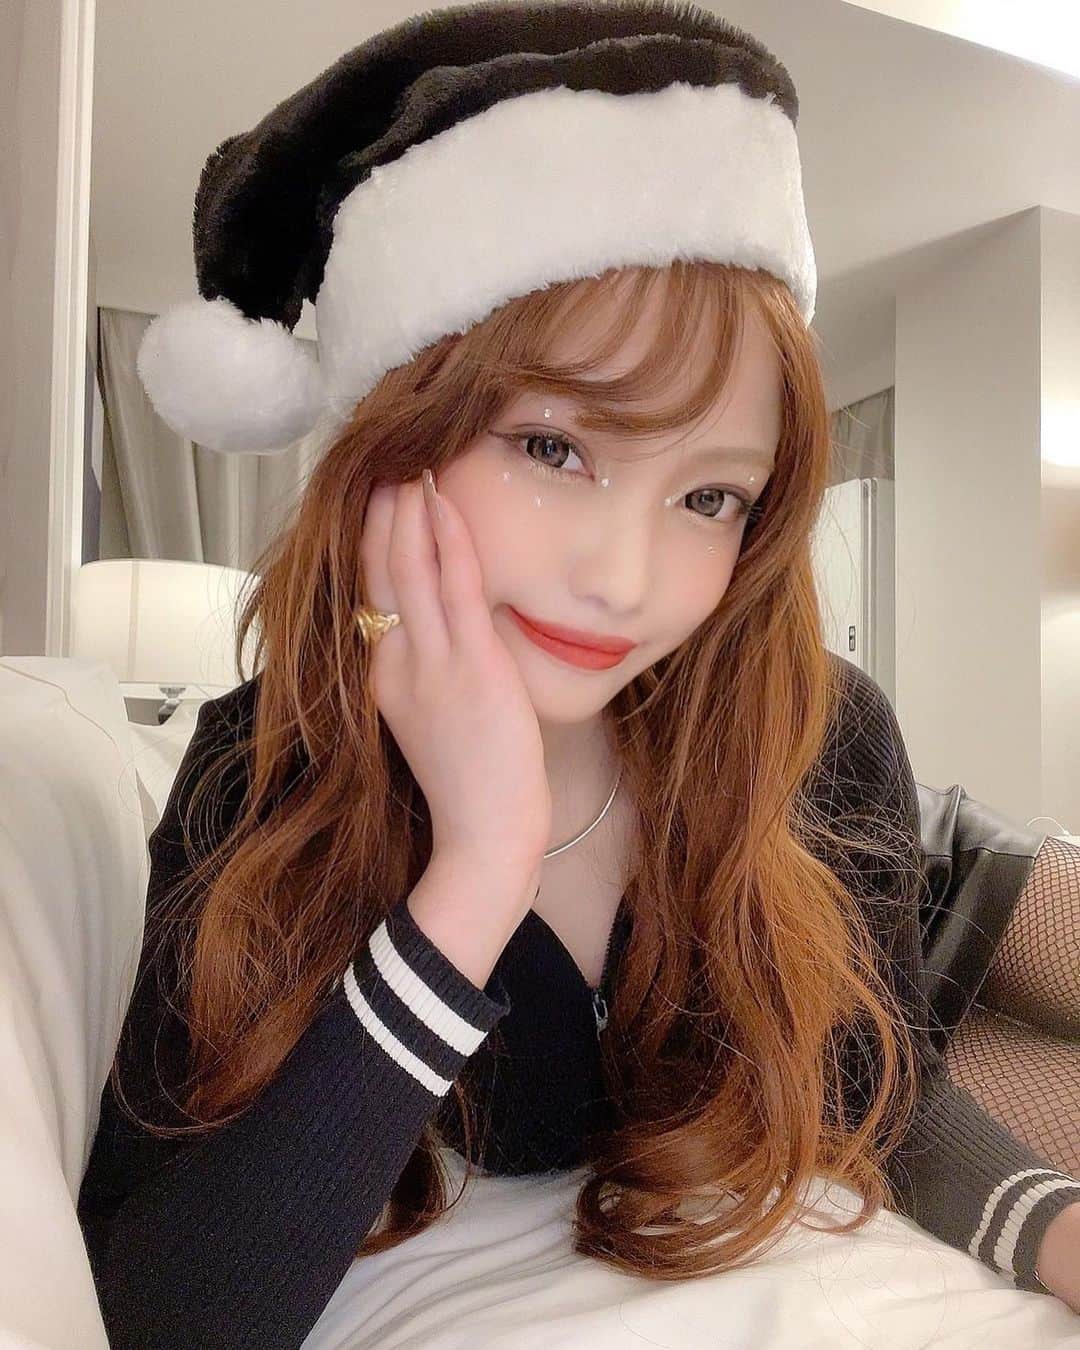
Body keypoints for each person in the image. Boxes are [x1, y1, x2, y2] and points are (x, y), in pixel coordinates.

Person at [76, 3, 1080, 1347]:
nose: (626, 579)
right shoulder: (256, 775)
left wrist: (1056, 1228)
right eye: (554, 449)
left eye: (710, 496)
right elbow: (165, 1310)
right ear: (392, 443)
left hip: (929, 903)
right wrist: (476, 869)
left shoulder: (823, 727)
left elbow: (868, 1078)